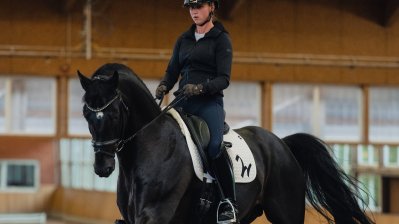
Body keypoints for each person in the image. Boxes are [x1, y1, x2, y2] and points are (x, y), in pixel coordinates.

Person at [155, 0, 237, 223]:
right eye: (191, 7)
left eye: (199, 6)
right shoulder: (183, 39)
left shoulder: (221, 40)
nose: (194, 11)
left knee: (213, 146)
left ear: (211, 7)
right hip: (182, 102)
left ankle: (227, 202)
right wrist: (164, 86)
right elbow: (172, 70)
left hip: (208, 103)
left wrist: (201, 88)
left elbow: (224, 79)